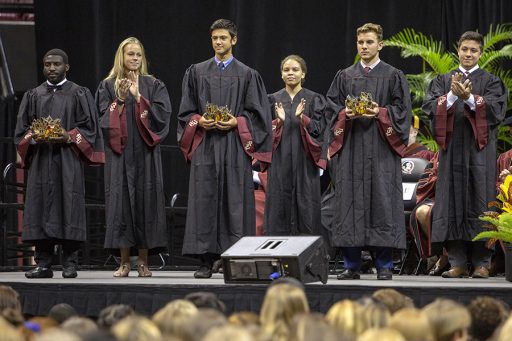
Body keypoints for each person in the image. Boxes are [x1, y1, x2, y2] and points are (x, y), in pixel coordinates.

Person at [177, 19, 272, 278]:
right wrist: (199, 121)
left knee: (235, 203)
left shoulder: (248, 74)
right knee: (204, 201)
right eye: (215, 38)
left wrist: (237, 122)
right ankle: (206, 262)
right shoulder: (196, 72)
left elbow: (259, 114)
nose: (218, 42)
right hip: (206, 146)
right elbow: (185, 113)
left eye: (223, 38)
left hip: (234, 147)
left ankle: (234, 260)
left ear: (234, 40)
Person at [326, 23, 412, 280]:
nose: (364, 46)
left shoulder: (393, 75)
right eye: (360, 42)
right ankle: (352, 265)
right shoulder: (344, 75)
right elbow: (331, 107)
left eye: (369, 42)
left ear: (380, 44)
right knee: (349, 204)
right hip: (352, 149)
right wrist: (345, 114)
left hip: (381, 151)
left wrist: (381, 113)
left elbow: (403, 111)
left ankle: (384, 266)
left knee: (382, 203)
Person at [422, 31, 507, 279]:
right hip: (452, 153)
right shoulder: (443, 80)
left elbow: (496, 110)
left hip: (480, 154)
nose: (468, 54)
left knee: (481, 203)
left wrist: (469, 98)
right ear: (457, 50)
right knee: (452, 205)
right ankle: (457, 263)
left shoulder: (491, 81)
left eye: (473, 50)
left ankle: (482, 262)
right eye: (464, 49)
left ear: (481, 53)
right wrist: (451, 96)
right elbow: (429, 107)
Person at [14, 49, 104, 279]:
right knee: (40, 207)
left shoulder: (79, 93)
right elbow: (21, 131)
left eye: (56, 64)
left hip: (67, 161)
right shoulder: (34, 95)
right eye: (47, 65)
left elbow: (89, 129)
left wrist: (68, 136)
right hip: (41, 161)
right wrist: (34, 136)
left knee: (68, 207)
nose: (51, 68)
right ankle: (43, 264)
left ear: (66, 66)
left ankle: (70, 263)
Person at [96, 37, 172, 278]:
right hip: (119, 155)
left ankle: (143, 262)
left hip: (145, 154)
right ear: (122, 56)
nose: (135, 59)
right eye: (130, 54)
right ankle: (124, 262)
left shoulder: (154, 84)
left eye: (139, 54)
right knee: (120, 206)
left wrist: (139, 98)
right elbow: (102, 121)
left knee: (145, 204)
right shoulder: (108, 86)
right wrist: (119, 99)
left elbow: (162, 118)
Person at [264, 55, 327, 236]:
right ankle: (277, 257)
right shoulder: (271, 100)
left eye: (295, 70)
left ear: (303, 74)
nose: (290, 73)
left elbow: (320, 131)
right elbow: (262, 132)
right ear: (281, 75)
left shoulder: (314, 100)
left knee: (307, 207)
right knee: (278, 206)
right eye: (286, 70)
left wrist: (303, 119)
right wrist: (278, 122)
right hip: (279, 161)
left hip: (305, 162)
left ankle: (306, 259)